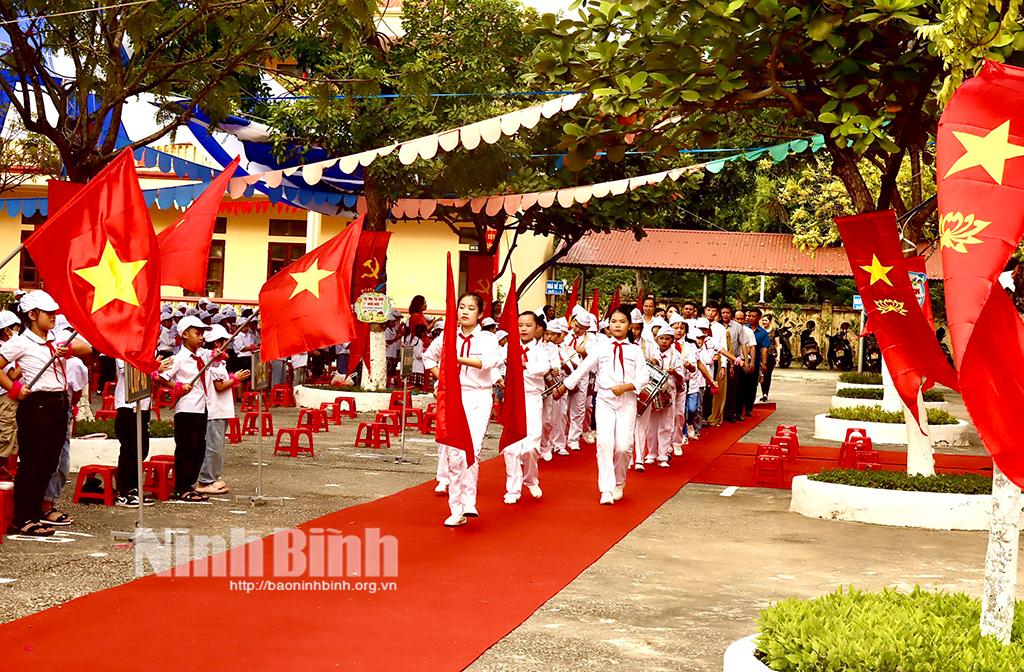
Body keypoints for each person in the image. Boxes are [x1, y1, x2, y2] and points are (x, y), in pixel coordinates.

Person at [0, 291, 93, 536]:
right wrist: (14, 389)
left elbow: (87, 349)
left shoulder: (57, 337)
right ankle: (23, 517)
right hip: (37, 404)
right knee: (33, 463)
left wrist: (69, 349)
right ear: (32, 315)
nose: (53, 316)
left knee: (49, 463)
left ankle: (36, 511)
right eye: (47, 313)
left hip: (59, 402)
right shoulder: (21, 342)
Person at [553, 308, 648, 505]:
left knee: (623, 446)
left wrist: (626, 387)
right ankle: (606, 488)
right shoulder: (601, 347)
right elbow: (583, 368)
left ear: (629, 326)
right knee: (604, 443)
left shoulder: (635, 350)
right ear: (608, 325)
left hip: (627, 400)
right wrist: (564, 386)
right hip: (604, 400)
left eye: (622, 322)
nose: (617, 325)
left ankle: (619, 482)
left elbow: (644, 377)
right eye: (613, 321)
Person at [423, 293, 502, 527]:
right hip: (454, 398)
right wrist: (445, 379)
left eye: (470, 308)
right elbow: (428, 359)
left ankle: (470, 501)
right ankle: (456, 508)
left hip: (478, 397)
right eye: (461, 307)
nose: (465, 312)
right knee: (454, 454)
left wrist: (457, 359)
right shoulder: (447, 337)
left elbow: (488, 362)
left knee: (472, 451)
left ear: (480, 314)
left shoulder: (488, 339)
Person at [158, 315, 213, 503]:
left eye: (202, 334)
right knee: (186, 449)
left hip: (201, 407)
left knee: (199, 448)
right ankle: (181, 487)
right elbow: (161, 377)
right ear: (184, 334)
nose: (201, 337)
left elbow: (216, 355)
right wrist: (177, 387)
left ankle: (190, 484)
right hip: (187, 409)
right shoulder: (179, 359)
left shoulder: (202, 356)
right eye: (197, 333)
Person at [196, 325, 250, 495]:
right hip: (215, 409)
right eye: (225, 341)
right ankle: (206, 479)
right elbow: (219, 386)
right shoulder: (214, 364)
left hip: (221, 409)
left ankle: (213, 476)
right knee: (214, 446)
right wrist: (236, 379)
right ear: (218, 343)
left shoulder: (220, 362)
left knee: (218, 446)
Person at [502, 312, 548, 504]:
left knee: (530, 447)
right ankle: (512, 488)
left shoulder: (542, 350)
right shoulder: (508, 347)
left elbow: (544, 367)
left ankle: (531, 479)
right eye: (520, 325)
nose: (523, 329)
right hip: (513, 400)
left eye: (528, 325)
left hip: (532, 399)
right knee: (511, 448)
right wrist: (499, 378)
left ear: (536, 328)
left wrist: (523, 363)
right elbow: (495, 364)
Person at [40, 351, 89, 526]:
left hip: (62, 409)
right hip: (42, 408)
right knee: (47, 460)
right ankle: (43, 506)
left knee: (62, 461)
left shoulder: (75, 362)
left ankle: (47, 503)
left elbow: (76, 393)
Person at [635, 318, 679, 469]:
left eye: (668, 339)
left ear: (672, 340)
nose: (664, 341)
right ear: (656, 339)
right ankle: (651, 453)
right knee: (651, 424)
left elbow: (682, 378)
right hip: (652, 392)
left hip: (668, 392)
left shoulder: (676, 355)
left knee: (666, 424)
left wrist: (674, 373)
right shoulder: (651, 352)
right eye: (662, 338)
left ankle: (663, 455)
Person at [563, 307, 594, 452]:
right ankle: (560, 437)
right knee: (563, 409)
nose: (577, 330)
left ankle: (573, 439)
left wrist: (585, 353)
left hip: (581, 377)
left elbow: (595, 361)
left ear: (587, 328)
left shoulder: (591, 339)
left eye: (581, 328)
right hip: (565, 375)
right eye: (576, 326)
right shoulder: (565, 336)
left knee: (578, 409)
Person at [0, 310, 21, 481]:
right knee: (4, 437)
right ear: (7, 330)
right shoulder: (4, 348)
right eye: (15, 328)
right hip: (5, 398)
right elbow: (12, 375)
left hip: (7, 398)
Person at [759, 313, 777, 402]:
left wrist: (778, 356)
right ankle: (763, 393)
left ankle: (766, 393)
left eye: (766, 320)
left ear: (770, 321)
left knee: (767, 375)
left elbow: (777, 344)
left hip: (771, 355)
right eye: (763, 320)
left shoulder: (774, 331)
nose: (764, 322)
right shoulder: (760, 331)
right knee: (762, 374)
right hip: (761, 356)